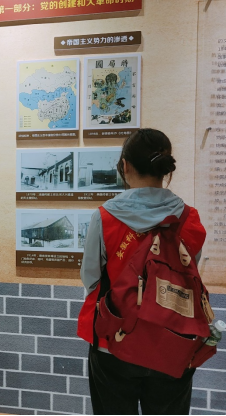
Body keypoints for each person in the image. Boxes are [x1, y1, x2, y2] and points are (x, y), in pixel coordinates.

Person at [77, 128, 207, 415]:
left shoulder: (105, 217)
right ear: (165, 168)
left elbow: (91, 278)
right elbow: (191, 272)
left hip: (114, 341)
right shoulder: (189, 217)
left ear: (125, 166)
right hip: (174, 340)